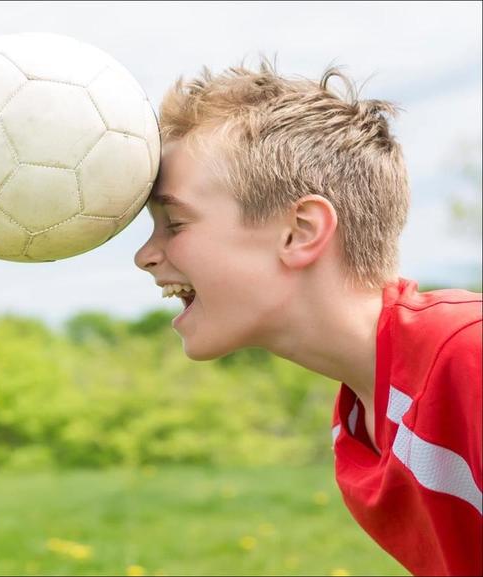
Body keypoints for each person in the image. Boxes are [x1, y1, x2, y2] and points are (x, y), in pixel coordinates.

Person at [133, 60, 481, 576]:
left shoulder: (466, 358)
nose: (145, 255)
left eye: (175, 222)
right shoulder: (362, 427)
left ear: (299, 231)